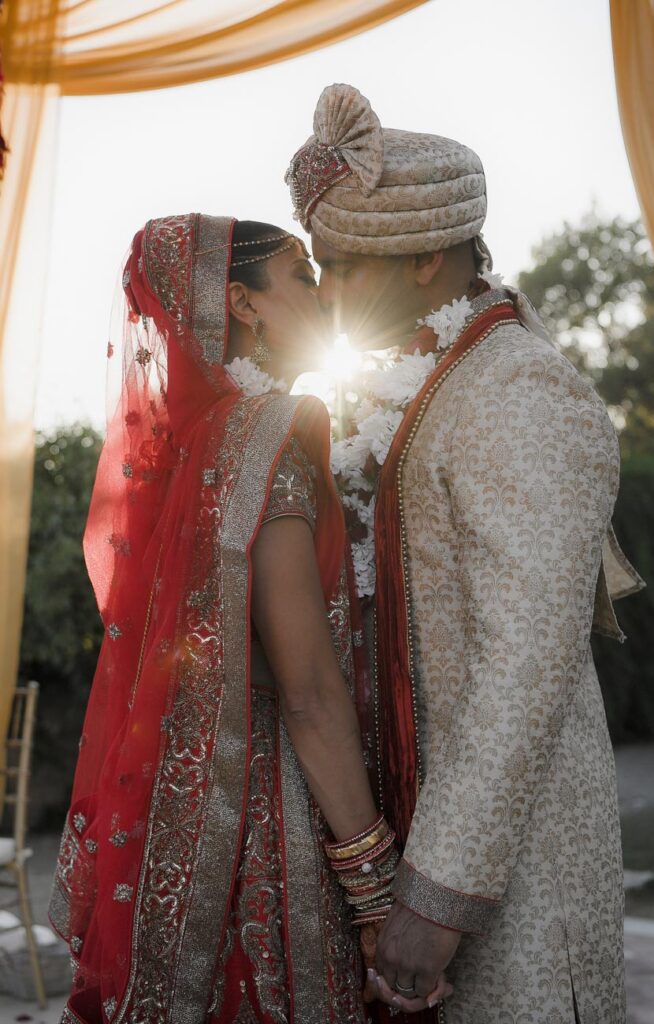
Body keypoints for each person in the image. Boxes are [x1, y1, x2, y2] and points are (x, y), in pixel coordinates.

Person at [286, 85, 644, 1023]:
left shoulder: (517, 387)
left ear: (431, 256)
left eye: (347, 268)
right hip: (426, 825)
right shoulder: (431, 378)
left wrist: (437, 894)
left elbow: (524, 664)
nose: (327, 296)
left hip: (510, 867)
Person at [49, 214, 445, 1023]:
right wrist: (375, 890)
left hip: (192, 817)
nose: (324, 293)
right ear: (244, 303)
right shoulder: (267, 443)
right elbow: (309, 694)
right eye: (302, 275)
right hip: (274, 819)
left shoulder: (194, 448)